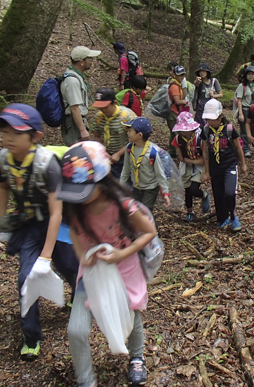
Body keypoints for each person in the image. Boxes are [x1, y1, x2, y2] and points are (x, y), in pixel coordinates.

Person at [57, 141, 157, 387]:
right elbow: (73, 235)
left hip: (125, 269)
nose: (78, 198)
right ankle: (86, 380)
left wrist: (122, 254)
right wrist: (82, 256)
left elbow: (149, 232)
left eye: (83, 191)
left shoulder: (122, 206)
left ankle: (137, 358)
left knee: (131, 316)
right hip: (92, 273)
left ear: (101, 182)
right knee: (77, 329)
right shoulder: (76, 208)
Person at [0, 104, 78, 361]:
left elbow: (56, 212)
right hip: (28, 224)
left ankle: (78, 293)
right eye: (4, 131)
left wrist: (46, 256)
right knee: (25, 279)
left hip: (56, 224)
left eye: (16, 133)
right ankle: (31, 336)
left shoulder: (46, 164)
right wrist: (1, 222)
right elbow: (4, 187)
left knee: (69, 265)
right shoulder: (3, 159)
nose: (8, 138)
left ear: (35, 136)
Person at [200, 99, 247, 231]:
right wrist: (206, 171)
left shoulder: (230, 129)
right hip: (215, 168)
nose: (209, 122)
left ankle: (234, 216)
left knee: (229, 193)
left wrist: (243, 164)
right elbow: (205, 151)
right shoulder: (206, 130)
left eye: (212, 119)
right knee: (218, 194)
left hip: (229, 165)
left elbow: (238, 148)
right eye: (207, 119)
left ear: (220, 116)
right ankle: (222, 217)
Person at [120, 117, 171, 211]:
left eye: (130, 130)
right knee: (136, 211)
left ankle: (152, 226)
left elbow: (160, 174)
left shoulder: (152, 153)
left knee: (145, 211)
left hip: (150, 188)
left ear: (139, 135)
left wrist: (165, 193)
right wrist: (120, 186)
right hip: (136, 186)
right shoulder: (129, 148)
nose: (127, 133)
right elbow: (126, 170)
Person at [91, 87, 137, 180]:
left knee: (124, 182)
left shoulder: (126, 117)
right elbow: (97, 136)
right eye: (100, 107)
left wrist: (119, 154)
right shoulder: (99, 117)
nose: (102, 110)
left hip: (124, 156)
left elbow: (135, 141)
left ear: (114, 103)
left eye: (105, 107)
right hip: (106, 156)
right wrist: (102, 151)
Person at [172, 111, 211, 222]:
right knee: (187, 189)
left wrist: (202, 167)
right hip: (186, 166)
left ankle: (204, 195)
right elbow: (181, 157)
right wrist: (192, 161)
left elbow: (204, 158)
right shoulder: (178, 139)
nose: (183, 132)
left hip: (199, 167)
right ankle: (190, 212)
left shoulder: (200, 138)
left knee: (194, 189)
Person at [61, 46, 101, 146]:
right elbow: (74, 108)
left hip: (77, 120)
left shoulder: (76, 77)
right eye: (89, 59)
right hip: (73, 123)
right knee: (76, 153)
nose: (91, 61)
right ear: (81, 62)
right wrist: (82, 129)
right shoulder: (72, 81)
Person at [235, 65, 254, 157]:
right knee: (244, 130)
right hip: (245, 109)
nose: (251, 76)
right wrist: (240, 113)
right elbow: (239, 100)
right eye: (249, 74)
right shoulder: (242, 86)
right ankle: (246, 149)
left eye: (253, 74)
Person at [166, 65, 190, 158]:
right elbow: (177, 101)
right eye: (180, 75)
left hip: (176, 111)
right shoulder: (174, 86)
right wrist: (184, 102)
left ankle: (171, 151)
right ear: (174, 75)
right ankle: (181, 153)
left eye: (183, 75)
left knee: (173, 133)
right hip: (173, 113)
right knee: (177, 134)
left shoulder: (177, 84)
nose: (182, 77)